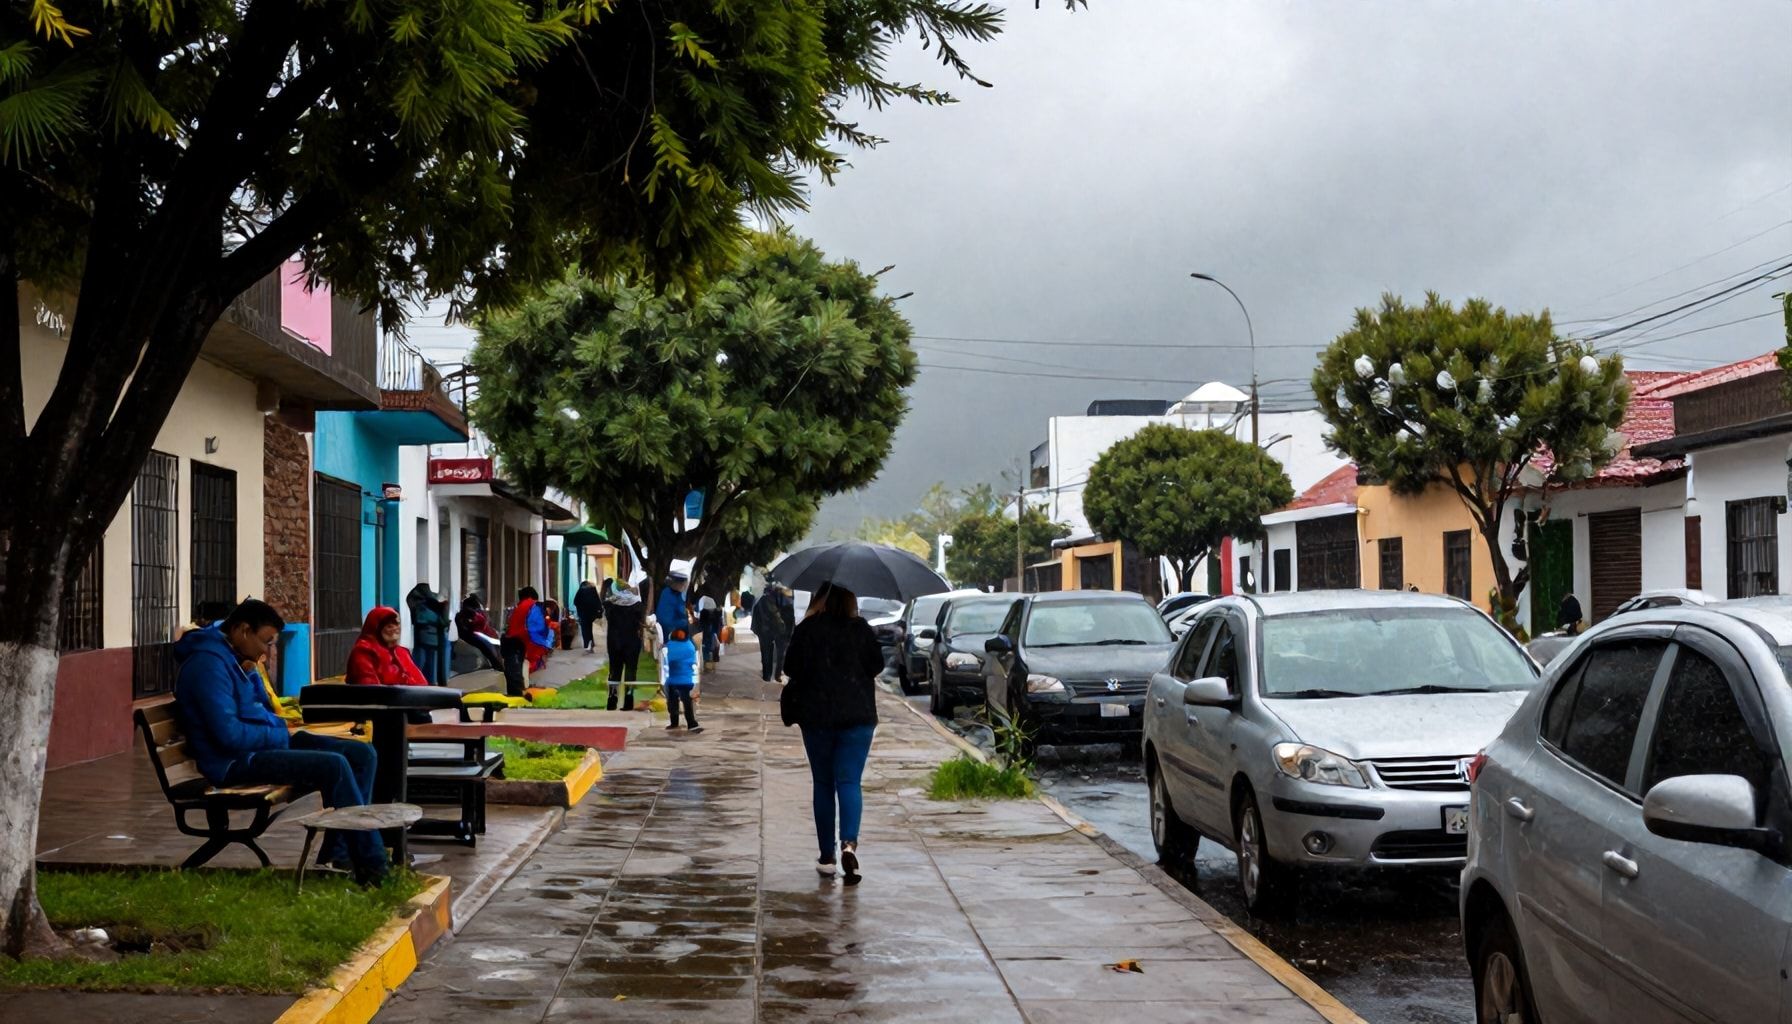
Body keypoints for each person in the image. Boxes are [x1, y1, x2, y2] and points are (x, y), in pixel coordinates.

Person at [174, 600, 387, 885]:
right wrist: (279, 734)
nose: (267, 651)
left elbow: (262, 708)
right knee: (334, 765)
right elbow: (229, 735)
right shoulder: (208, 667)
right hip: (235, 762)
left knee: (362, 754)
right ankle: (374, 868)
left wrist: (252, 675)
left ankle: (340, 855)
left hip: (263, 745)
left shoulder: (235, 658)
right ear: (242, 630)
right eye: (266, 642)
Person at [780, 584, 884, 885]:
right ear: (851, 601)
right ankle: (849, 845)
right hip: (858, 717)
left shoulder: (808, 629)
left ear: (819, 600)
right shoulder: (861, 629)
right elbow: (877, 666)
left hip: (817, 718)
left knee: (824, 784)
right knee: (850, 781)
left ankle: (826, 857)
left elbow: (790, 667)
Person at [346, 607, 429, 686]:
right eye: (389, 624)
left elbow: (422, 683)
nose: (395, 628)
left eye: (397, 623)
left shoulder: (402, 652)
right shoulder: (363, 652)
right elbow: (369, 690)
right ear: (376, 627)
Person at [502, 587, 554, 696]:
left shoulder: (521, 606)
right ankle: (520, 694)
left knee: (514, 671)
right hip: (522, 642)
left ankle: (517, 694)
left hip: (513, 641)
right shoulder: (533, 606)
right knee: (520, 670)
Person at [604, 581, 646, 710]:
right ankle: (629, 701)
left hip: (614, 641)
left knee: (614, 670)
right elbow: (641, 621)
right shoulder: (637, 606)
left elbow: (607, 617)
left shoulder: (610, 604)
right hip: (632, 641)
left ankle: (612, 700)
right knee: (631, 670)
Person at [405, 583, 451, 685]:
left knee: (427, 664)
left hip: (429, 639)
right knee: (424, 664)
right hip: (427, 639)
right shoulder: (425, 605)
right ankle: (421, 682)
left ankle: (424, 682)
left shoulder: (424, 603)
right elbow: (424, 619)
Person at [751, 584, 793, 683]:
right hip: (775, 630)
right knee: (777, 653)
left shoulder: (762, 598)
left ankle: (768, 675)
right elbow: (786, 615)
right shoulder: (783, 598)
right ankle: (773, 675)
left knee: (768, 653)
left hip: (766, 630)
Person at [663, 627, 702, 733]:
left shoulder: (670, 646)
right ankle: (691, 723)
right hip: (686, 680)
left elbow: (668, 661)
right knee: (687, 702)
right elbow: (692, 661)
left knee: (672, 702)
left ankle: (674, 723)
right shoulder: (689, 645)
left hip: (672, 680)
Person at [455, 594, 503, 671]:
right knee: (485, 645)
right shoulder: (466, 614)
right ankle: (497, 664)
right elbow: (465, 628)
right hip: (472, 634)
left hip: (476, 633)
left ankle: (497, 663)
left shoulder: (474, 613)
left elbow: (483, 622)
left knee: (489, 644)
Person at [655, 570, 691, 641]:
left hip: (660, 622)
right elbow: (681, 612)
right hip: (670, 624)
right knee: (688, 623)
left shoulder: (665, 591)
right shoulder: (678, 594)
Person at [574, 580, 604, 653]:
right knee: (589, 628)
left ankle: (587, 645)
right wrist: (599, 611)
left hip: (583, 613)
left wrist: (580, 608)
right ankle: (591, 643)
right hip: (591, 614)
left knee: (585, 629)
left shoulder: (580, 591)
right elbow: (598, 601)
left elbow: (575, 601)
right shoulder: (593, 590)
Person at [698, 594, 724, 670]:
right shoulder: (713, 608)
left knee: (708, 642)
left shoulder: (704, 603)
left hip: (708, 625)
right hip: (710, 626)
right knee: (709, 641)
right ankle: (709, 660)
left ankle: (708, 660)